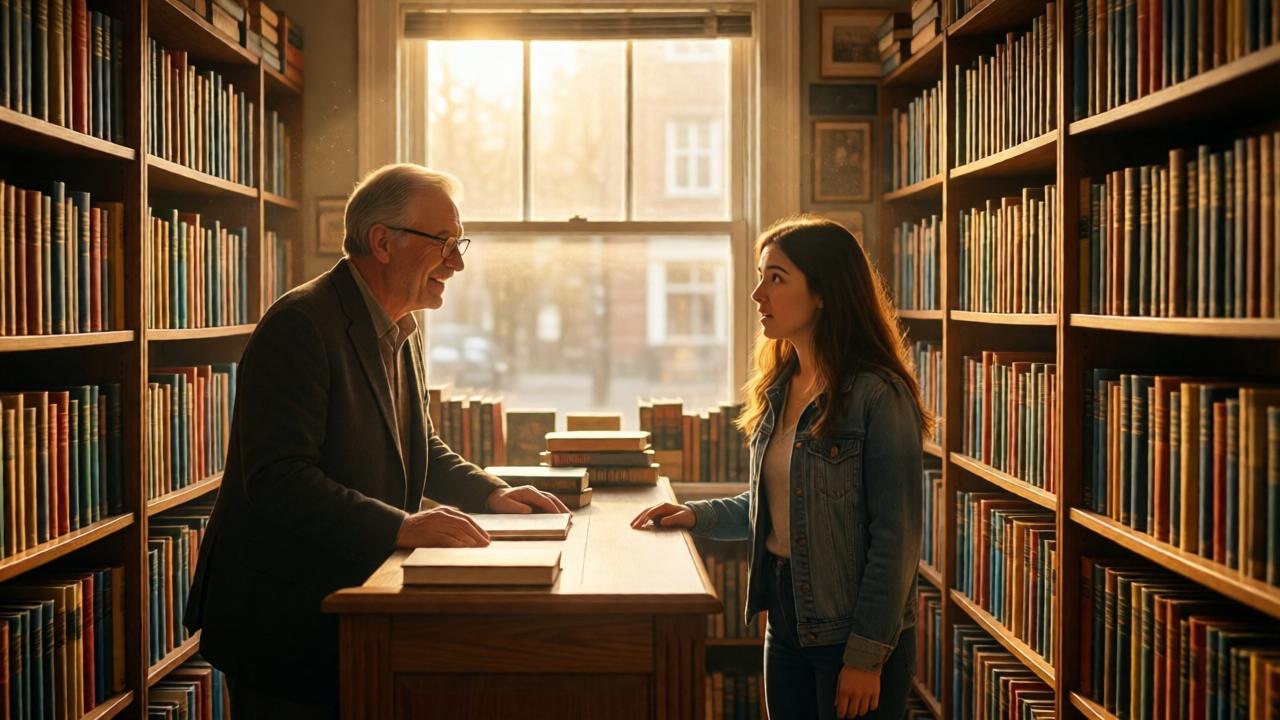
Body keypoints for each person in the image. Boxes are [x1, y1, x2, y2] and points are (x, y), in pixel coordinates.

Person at [184, 164, 568, 718]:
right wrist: (402, 526)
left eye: (460, 243)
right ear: (383, 243)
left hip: (351, 600)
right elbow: (277, 478)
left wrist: (491, 493)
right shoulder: (300, 323)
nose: (457, 262)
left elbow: (420, 447)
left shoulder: (399, 324)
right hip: (282, 618)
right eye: (444, 243)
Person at [632, 215, 931, 720]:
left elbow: (896, 539)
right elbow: (785, 505)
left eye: (775, 278)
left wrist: (865, 656)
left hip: (853, 634)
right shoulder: (779, 388)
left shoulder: (879, 396)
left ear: (823, 293)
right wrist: (695, 515)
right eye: (760, 275)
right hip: (787, 622)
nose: (757, 294)